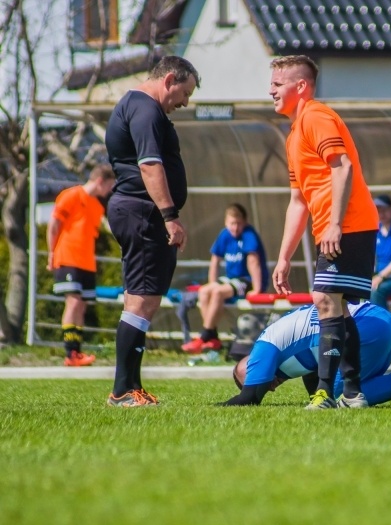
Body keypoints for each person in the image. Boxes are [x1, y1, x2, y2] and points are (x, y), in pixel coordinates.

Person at [269, 55, 379, 409]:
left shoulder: (316, 116)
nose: (270, 90)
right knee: (337, 307)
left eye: (277, 83)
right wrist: (283, 258)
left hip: (349, 224)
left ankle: (325, 393)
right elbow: (298, 201)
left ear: (300, 86)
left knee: (324, 300)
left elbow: (342, 166)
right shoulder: (293, 133)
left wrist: (333, 223)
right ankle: (352, 393)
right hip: (334, 227)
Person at [104, 55, 200, 407]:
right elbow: (149, 164)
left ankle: (132, 386)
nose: (185, 102)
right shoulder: (145, 108)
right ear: (170, 79)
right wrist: (170, 216)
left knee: (137, 298)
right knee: (144, 299)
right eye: (184, 93)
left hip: (137, 211)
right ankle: (122, 391)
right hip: (144, 213)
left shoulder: (136, 104)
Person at [220, 301, 391, 408]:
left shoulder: (264, 348)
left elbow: (249, 399)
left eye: (254, 380)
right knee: (331, 395)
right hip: (380, 322)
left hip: (366, 328)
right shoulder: (282, 355)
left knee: (339, 398)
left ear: (251, 366)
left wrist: (216, 407)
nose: (269, 387)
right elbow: (317, 369)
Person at [47, 164, 116, 366]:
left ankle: (77, 352)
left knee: (82, 305)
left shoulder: (96, 205)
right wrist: (52, 253)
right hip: (68, 257)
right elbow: (54, 224)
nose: (110, 190)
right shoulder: (71, 195)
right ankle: (70, 353)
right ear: (100, 181)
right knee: (73, 302)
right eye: (110, 185)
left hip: (87, 262)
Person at [181, 203, 269, 354]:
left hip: (246, 281)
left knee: (218, 292)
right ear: (226, 223)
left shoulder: (249, 235)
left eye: (238, 224)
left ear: (245, 222)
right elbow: (215, 260)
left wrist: (257, 289)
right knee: (204, 291)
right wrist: (212, 282)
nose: (235, 228)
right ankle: (212, 335)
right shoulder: (225, 234)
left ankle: (205, 335)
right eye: (231, 224)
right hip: (230, 280)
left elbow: (253, 262)